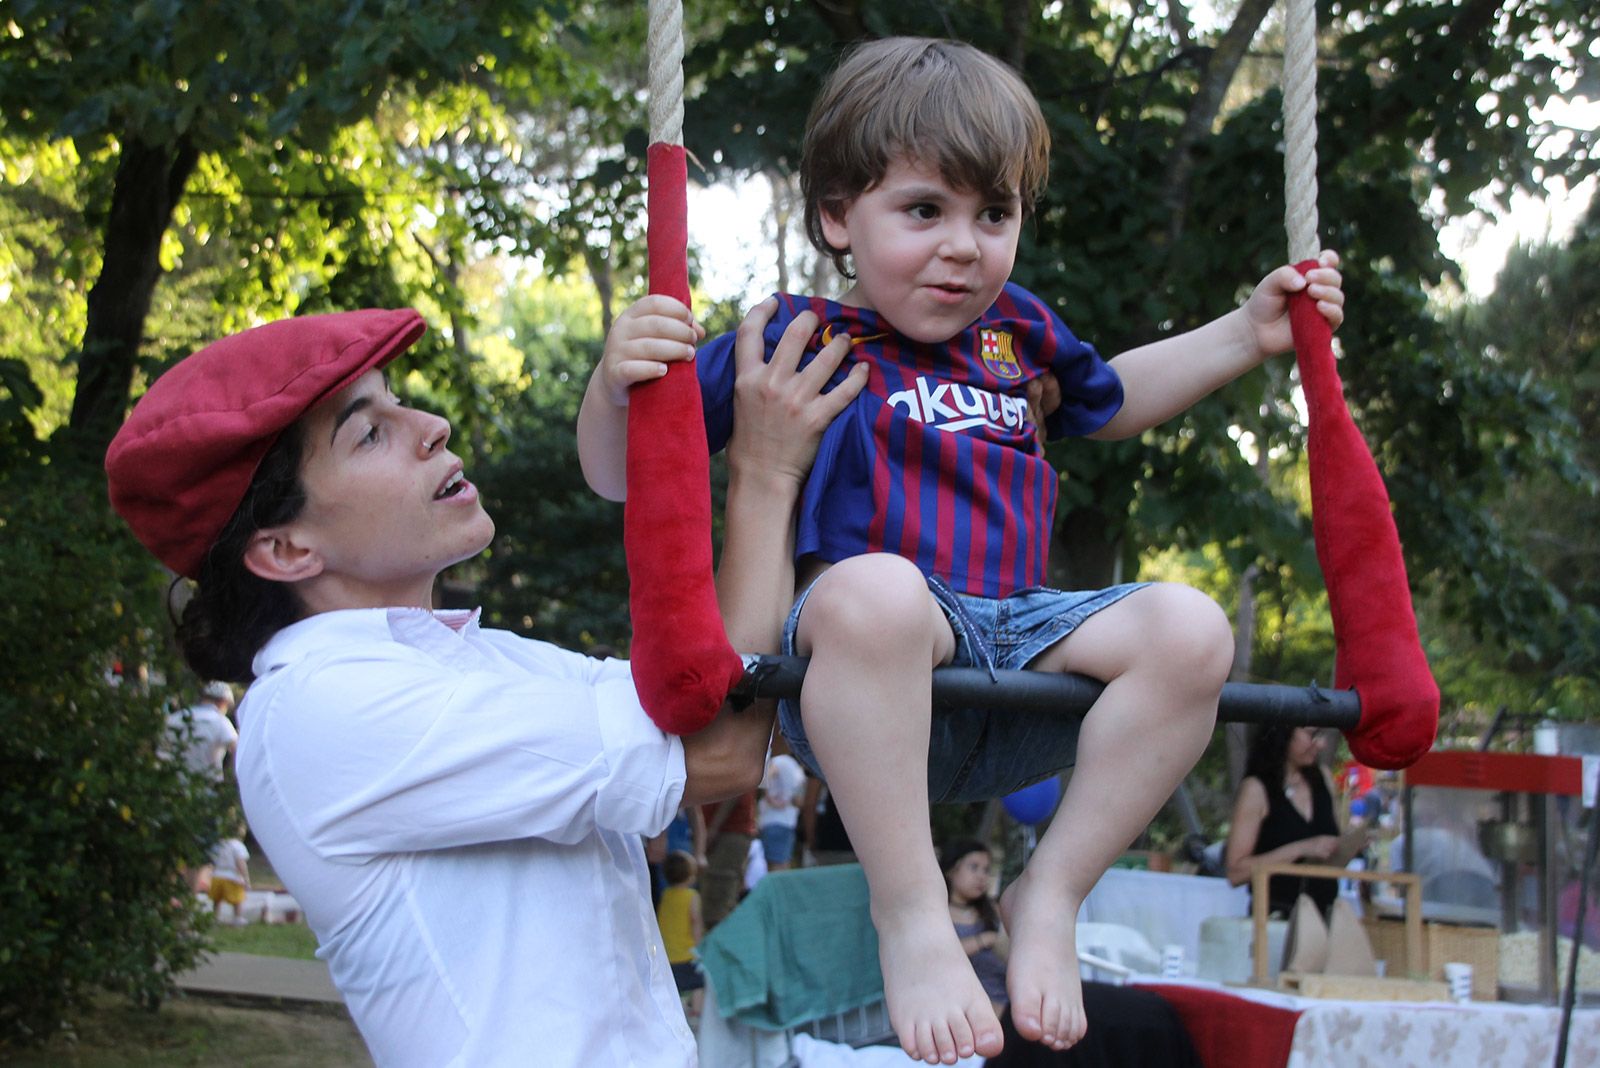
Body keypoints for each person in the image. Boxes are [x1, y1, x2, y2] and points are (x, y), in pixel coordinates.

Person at [577, 36, 1346, 1064]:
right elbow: (624, 476)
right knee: (879, 594)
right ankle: (912, 911)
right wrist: (611, 383)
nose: (962, 246)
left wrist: (1245, 334)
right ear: (838, 217)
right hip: (869, 671)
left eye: (993, 215)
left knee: (1191, 629)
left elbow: (1113, 402)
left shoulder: (1015, 336)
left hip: (1013, 655)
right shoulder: (796, 339)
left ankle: (1052, 892)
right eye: (923, 211)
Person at [105, 296, 862, 1067]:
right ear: (286, 549)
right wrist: (765, 472)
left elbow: (706, 707)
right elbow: (719, 754)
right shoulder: (322, 702)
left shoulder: (487, 661)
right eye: (370, 432)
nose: (428, 425)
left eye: (397, 401)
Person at [1223, 725, 1351, 918]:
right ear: (1284, 734)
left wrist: (1349, 845)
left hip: (1324, 918)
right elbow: (1235, 872)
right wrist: (1300, 849)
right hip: (1275, 919)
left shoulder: (1322, 779)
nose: (1321, 744)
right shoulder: (1256, 789)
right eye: (1312, 735)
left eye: (1322, 735)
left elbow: (1330, 847)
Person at [941, 839, 1008, 1020]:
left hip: (1010, 995)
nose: (981, 876)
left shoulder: (992, 909)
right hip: (971, 1007)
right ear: (951, 870)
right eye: (974, 867)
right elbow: (940, 957)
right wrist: (984, 940)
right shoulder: (938, 913)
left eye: (986, 870)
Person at [656, 850, 706, 1023]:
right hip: (687, 952)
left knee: (675, 986)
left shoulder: (665, 895)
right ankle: (697, 1014)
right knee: (698, 984)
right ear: (690, 876)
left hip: (668, 954)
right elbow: (695, 922)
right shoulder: (692, 896)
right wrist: (700, 947)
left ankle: (679, 1011)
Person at [165, 680, 238, 784]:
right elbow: (236, 750)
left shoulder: (175, 718)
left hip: (172, 785)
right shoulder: (220, 722)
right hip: (206, 786)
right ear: (223, 702)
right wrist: (230, 779)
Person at [758, 747, 808, 871]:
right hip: (786, 822)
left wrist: (769, 797)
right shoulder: (795, 768)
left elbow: (766, 777)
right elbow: (799, 802)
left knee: (775, 868)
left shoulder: (783, 761)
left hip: (774, 821)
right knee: (782, 866)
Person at [208, 829, 252, 926]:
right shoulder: (238, 845)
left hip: (216, 875)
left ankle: (215, 917)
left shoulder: (218, 844)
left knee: (217, 899)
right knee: (237, 899)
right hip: (232, 876)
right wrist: (246, 879)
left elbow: (211, 860)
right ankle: (237, 917)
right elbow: (241, 862)